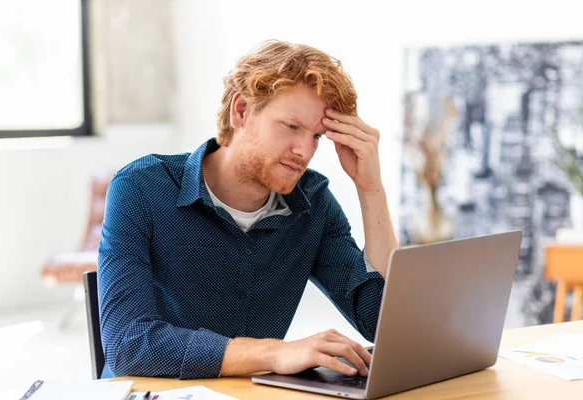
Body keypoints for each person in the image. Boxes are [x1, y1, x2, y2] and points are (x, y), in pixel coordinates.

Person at [98, 40, 398, 380]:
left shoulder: (313, 203)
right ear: (241, 111)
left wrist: (371, 189)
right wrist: (273, 353)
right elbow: (127, 343)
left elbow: (381, 322)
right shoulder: (141, 188)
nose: (304, 151)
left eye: (317, 136)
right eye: (291, 126)